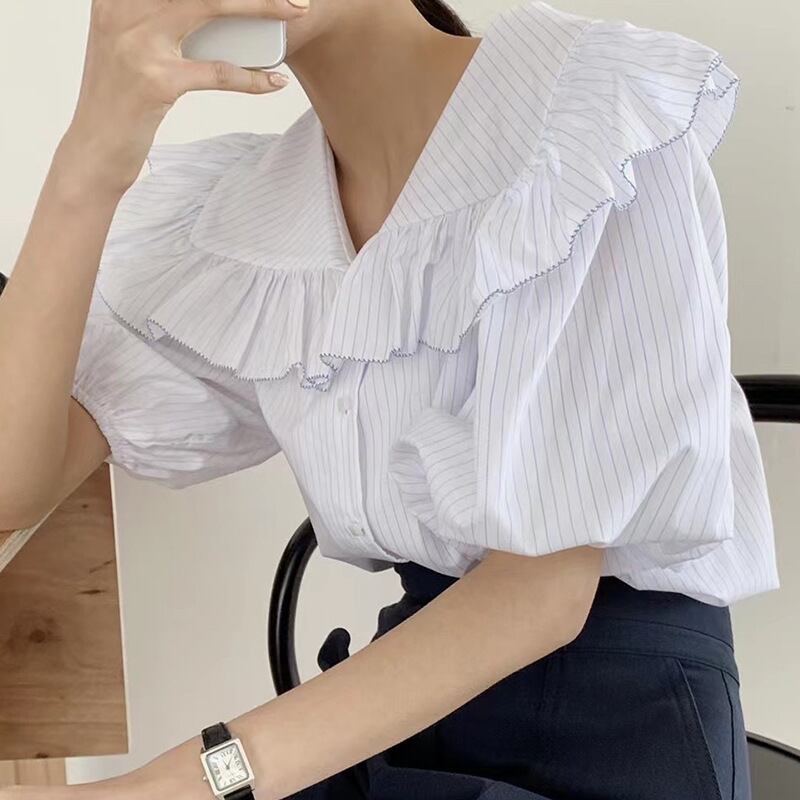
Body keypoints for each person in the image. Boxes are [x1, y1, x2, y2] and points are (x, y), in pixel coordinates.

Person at [0, 1, 779, 799]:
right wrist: (91, 156)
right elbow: (12, 487)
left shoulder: (591, 113)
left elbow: (544, 596)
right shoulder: (253, 217)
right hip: (412, 706)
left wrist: (158, 788)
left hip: (618, 735)